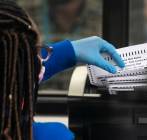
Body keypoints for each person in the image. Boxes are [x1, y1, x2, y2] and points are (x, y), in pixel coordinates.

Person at [0, 0, 125, 140]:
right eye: (36, 51)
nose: (38, 62)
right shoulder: (52, 136)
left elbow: (14, 66)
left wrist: (69, 51)